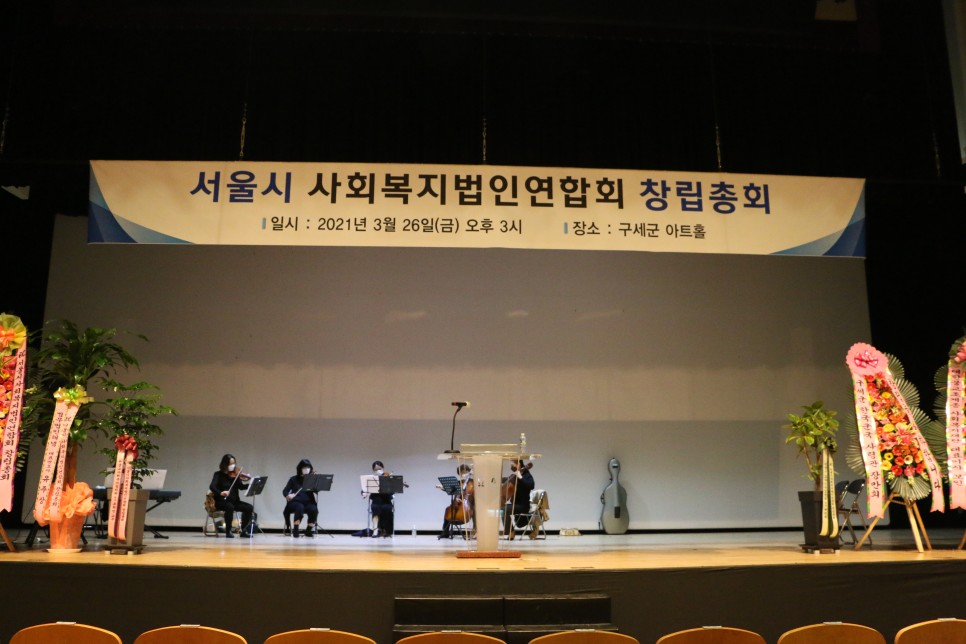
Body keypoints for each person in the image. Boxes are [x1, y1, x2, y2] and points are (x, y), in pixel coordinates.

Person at [209, 453, 254, 538]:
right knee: (229, 507)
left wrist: (251, 484)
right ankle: (228, 531)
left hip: (234, 501)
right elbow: (212, 486)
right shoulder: (218, 474)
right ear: (225, 464)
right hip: (221, 501)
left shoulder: (235, 475)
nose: (233, 466)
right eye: (231, 464)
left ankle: (243, 531)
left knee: (249, 507)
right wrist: (221, 493)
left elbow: (241, 487)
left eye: (234, 463)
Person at [282, 458, 319, 538]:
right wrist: (288, 495)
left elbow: (316, 491)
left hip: (308, 502)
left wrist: (315, 482)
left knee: (314, 509)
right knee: (299, 507)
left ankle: (309, 529)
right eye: (304, 467)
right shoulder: (293, 479)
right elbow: (285, 491)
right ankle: (296, 529)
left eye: (308, 467)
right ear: (300, 468)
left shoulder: (311, 480)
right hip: (295, 502)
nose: (307, 469)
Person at [439, 463, 474, 539]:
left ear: (468, 472)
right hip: (458, 503)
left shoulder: (472, 482)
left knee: (475, 510)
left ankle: (475, 531)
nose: (463, 474)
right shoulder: (458, 483)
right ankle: (445, 532)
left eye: (465, 472)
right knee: (448, 509)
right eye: (461, 473)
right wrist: (443, 488)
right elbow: (451, 490)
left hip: (469, 504)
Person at [503, 459, 534, 535]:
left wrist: (520, 477)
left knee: (504, 510)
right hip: (516, 504)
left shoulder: (526, 475)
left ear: (519, 464)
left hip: (523, 505)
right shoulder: (514, 476)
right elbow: (506, 480)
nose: (512, 465)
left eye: (514, 463)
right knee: (502, 510)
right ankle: (510, 531)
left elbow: (531, 485)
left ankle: (511, 532)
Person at [368, 460, 394, 538]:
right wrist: (363, 493)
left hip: (386, 500)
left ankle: (386, 530)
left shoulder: (388, 477)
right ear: (373, 470)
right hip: (376, 500)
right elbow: (364, 488)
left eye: (379, 469)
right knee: (375, 507)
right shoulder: (371, 479)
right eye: (375, 469)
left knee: (386, 508)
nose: (378, 471)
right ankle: (375, 530)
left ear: (383, 468)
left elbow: (393, 490)